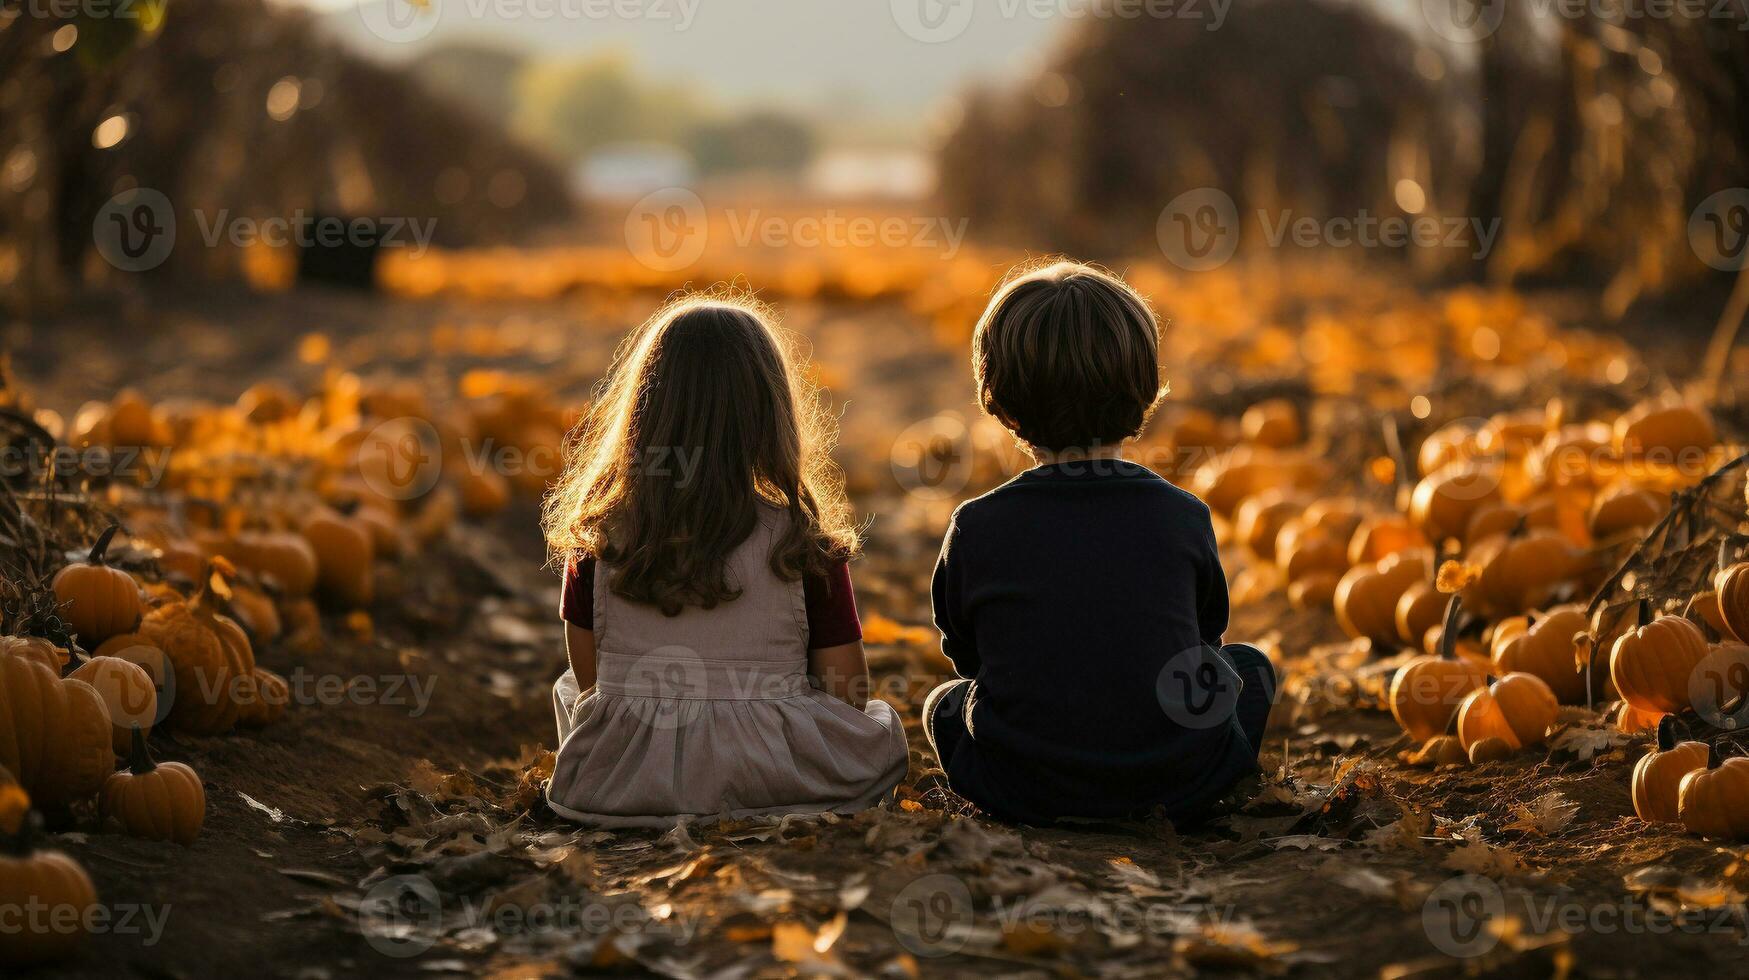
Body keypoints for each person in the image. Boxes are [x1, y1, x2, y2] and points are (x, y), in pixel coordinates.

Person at [924, 260, 1275, 825]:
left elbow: (970, 657)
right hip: (1179, 784)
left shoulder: (976, 526)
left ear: (1001, 400)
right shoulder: (1184, 516)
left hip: (1024, 788)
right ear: (1141, 389)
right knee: (1251, 668)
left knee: (942, 705)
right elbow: (1206, 639)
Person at [542, 291, 907, 825]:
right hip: (776, 780)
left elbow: (595, 678)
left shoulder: (600, 540)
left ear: (644, 417)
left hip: (624, 789)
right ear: (769, 416)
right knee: (879, 725)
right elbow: (847, 693)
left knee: (569, 690)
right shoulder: (800, 542)